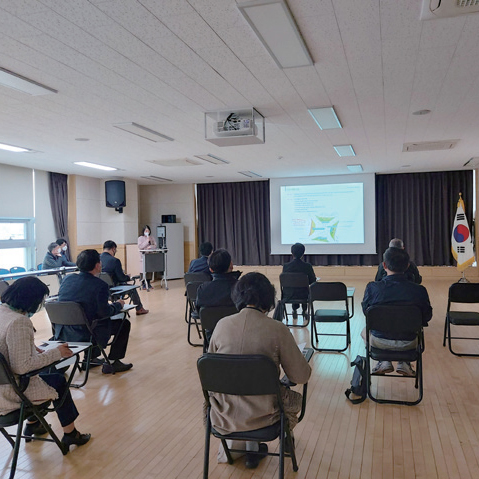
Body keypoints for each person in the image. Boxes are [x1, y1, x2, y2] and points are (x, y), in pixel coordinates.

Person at [208, 272, 311, 469]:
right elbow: (301, 376)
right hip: (266, 415)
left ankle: (250, 449)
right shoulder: (277, 329)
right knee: (282, 394)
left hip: (224, 414)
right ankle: (282, 440)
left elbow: (211, 372)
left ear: (237, 296)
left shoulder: (221, 325)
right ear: (268, 297)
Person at [0, 277, 90, 448]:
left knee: (44, 375)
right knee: (57, 380)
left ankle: (34, 424)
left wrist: (30, 347)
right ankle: (71, 433)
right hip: (9, 396)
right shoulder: (19, 322)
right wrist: (57, 353)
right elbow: (22, 367)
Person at [56, 249, 133, 374]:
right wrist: (118, 305)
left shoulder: (67, 280)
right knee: (123, 324)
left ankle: (90, 359)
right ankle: (112, 363)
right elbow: (105, 313)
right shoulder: (100, 285)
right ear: (98, 265)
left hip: (64, 331)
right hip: (87, 332)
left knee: (91, 319)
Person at [362, 247, 432, 376]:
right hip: (409, 343)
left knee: (364, 331)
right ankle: (404, 363)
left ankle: (383, 361)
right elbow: (426, 316)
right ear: (407, 266)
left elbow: (367, 313)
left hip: (379, 341)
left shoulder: (373, 288)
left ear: (384, 265)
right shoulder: (419, 290)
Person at [101, 240, 149, 316]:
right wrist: (128, 277)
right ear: (113, 249)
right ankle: (139, 309)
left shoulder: (97, 259)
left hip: (101, 291)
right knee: (132, 288)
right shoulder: (115, 261)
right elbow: (121, 278)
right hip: (114, 290)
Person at [282, 243, 316, 318]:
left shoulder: (286, 266)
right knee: (303, 288)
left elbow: (287, 280)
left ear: (292, 253)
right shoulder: (307, 266)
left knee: (294, 286)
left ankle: (294, 310)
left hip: (288, 295)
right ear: (303, 253)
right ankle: (304, 311)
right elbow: (312, 281)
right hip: (304, 295)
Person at [137, 225, 157, 289]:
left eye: (148, 230)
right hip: (143, 256)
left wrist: (151, 247)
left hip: (150, 256)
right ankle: (143, 284)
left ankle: (148, 283)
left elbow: (155, 245)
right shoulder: (140, 238)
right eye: (146, 230)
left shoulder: (152, 237)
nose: (147, 231)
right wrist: (146, 241)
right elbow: (140, 246)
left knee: (149, 269)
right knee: (143, 270)